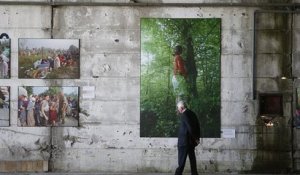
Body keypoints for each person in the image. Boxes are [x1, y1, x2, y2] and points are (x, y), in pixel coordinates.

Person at [175, 101, 200, 175]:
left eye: (178, 108)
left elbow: (190, 128)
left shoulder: (184, 114)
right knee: (192, 160)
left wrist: (196, 138)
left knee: (181, 162)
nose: (178, 110)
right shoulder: (192, 113)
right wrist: (197, 138)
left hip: (184, 142)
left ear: (182, 107)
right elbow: (198, 126)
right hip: (191, 142)